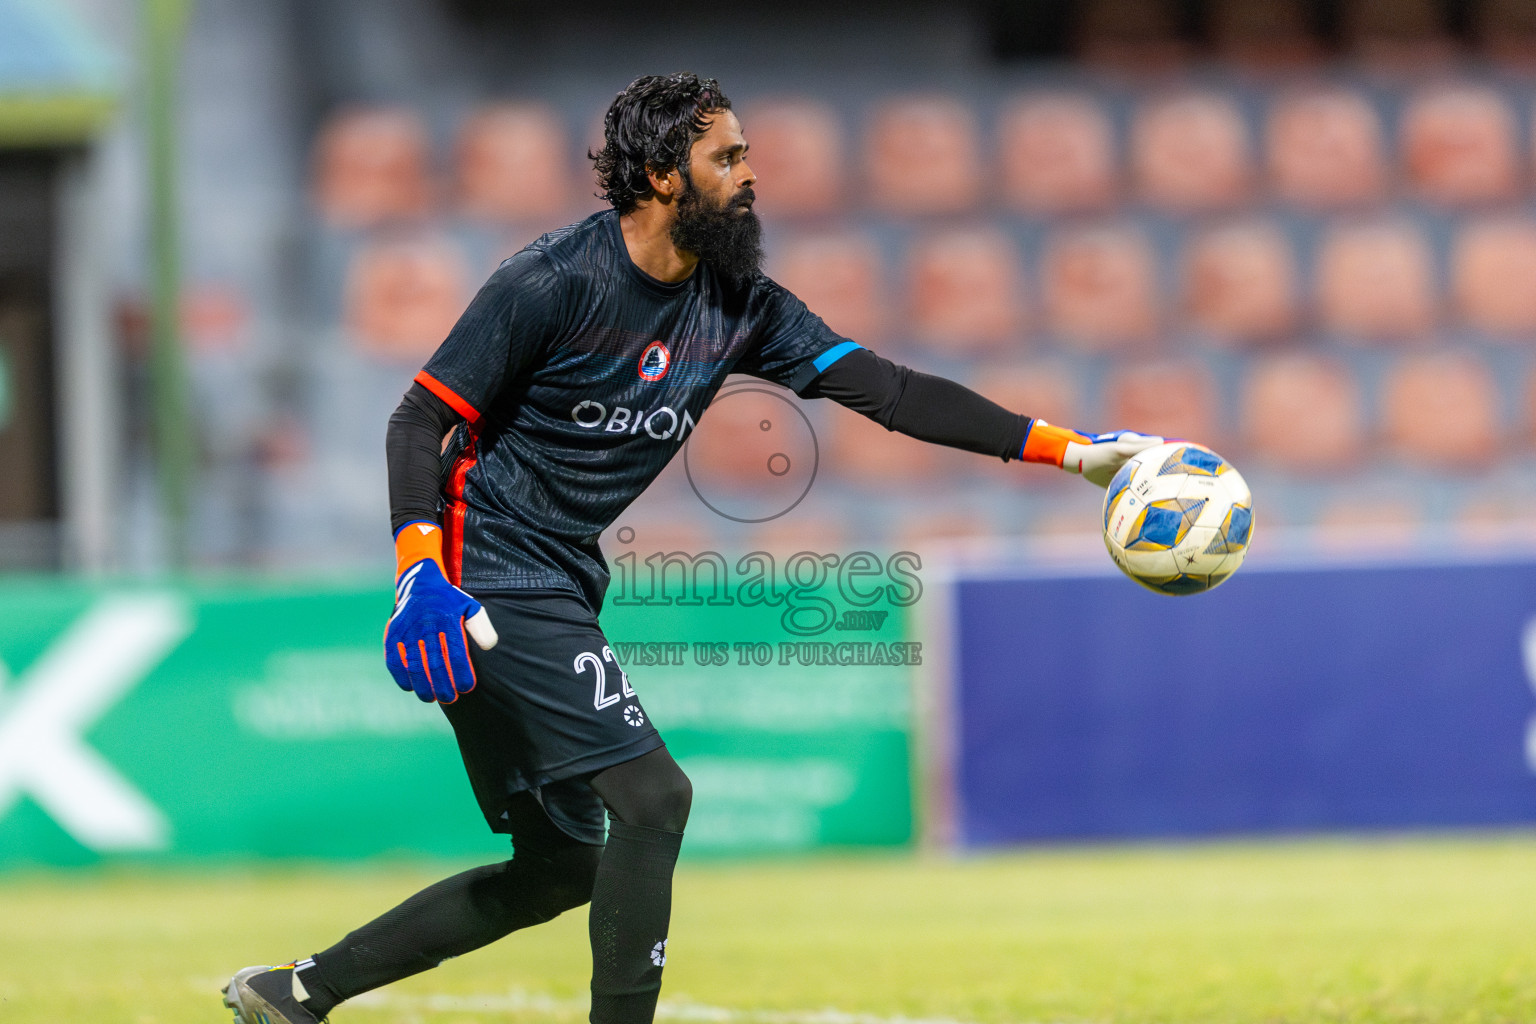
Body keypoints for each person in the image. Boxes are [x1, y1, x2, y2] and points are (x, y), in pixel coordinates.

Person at [222, 71, 1159, 1024]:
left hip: (561, 577)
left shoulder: (741, 302)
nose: (751, 173)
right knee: (655, 796)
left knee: (563, 867)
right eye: (729, 156)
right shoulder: (550, 282)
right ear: (666, 175)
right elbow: (419, 419)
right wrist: (417, 571)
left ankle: (299, 991)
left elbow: (891, 391)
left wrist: (1073, 452)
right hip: (483, 575)